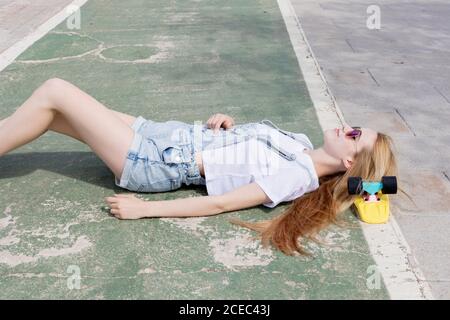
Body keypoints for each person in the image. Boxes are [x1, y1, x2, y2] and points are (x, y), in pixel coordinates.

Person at [0, 78, 397, 255]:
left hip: (155, 160)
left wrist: (144, 209)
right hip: (162, 134)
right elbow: (243, 152)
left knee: (55, 91)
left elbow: (221, 203)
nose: (347, 126)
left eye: (354, 134)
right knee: (50, 114)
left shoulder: (297, 176)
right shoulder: (300, 145)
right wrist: (228, 126)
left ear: (349, 161)